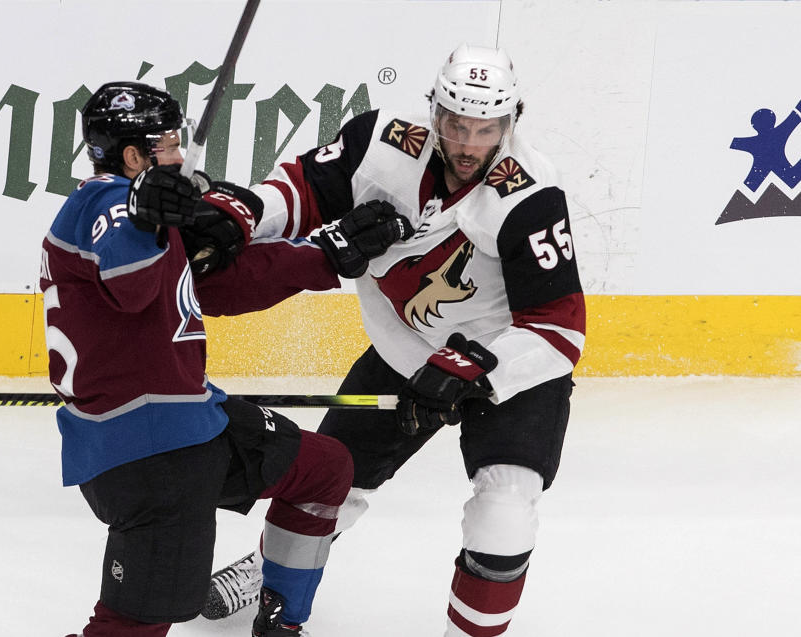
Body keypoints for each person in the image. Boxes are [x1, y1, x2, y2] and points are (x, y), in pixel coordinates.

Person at [198, 44, 586, 635]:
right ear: (434, 111)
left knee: (504, 509)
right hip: (407, 350)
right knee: (327, 483)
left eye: (487, 129)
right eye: (456, 123)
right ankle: (268, 570)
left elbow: (558, 328)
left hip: (510, 366)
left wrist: (474, 366)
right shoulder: (382, 141)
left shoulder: (530, 194)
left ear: (512, 122)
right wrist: (244, 210)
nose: (468, 144)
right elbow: (301, 189)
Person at [41, 81, 411, 637]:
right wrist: (144, 214)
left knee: (324, 468)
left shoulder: (141, 209)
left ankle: (279, 623)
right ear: (134, 156)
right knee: (132, 624)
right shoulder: (106, 202)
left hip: (191, 421)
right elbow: (133, 286)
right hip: (147, 449)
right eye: (166, 144)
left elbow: (218, 290)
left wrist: (326, 256)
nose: (181, 154)